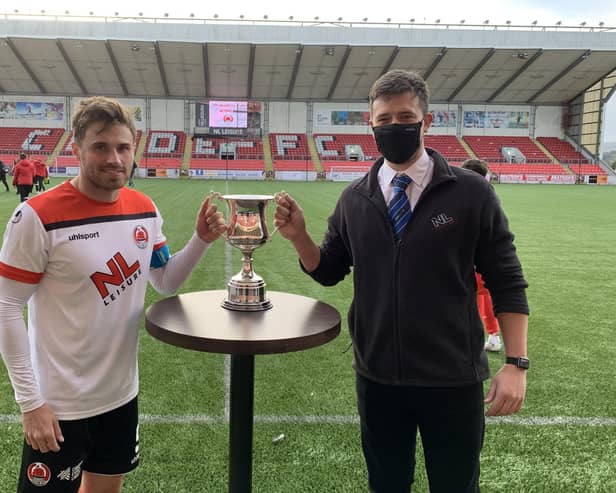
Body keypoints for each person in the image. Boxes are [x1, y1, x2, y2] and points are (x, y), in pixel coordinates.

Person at [274, 69, 529, 493]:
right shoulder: (354, 198)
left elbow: (507, 278)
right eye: (385, 119)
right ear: (370, 125)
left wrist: (516, 364)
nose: (396, 126)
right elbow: (329, 270)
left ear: (427, 122)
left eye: (405, 116)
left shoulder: (470, 193)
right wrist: (299, 237)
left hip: (453, 378)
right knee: (386, 485)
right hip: (378, 379)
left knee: (457, 486)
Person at [0, 96, 226, 493]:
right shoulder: (37, 216)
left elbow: (164, 281)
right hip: (59, 404)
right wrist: (30, 403)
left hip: (120, 395)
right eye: (100, 147)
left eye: (123, 147)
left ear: (134, 147)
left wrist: (201, 241)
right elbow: (5, 307)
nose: (114, 158)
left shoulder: (144, 207)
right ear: (77, 148)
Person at [462, 158, 502, 352]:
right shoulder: (489, 198)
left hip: (464, 260)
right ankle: (493, 335)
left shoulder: (455, 195)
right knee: (484, 295)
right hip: (483, 260)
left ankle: (471, 337)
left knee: (472, 297)